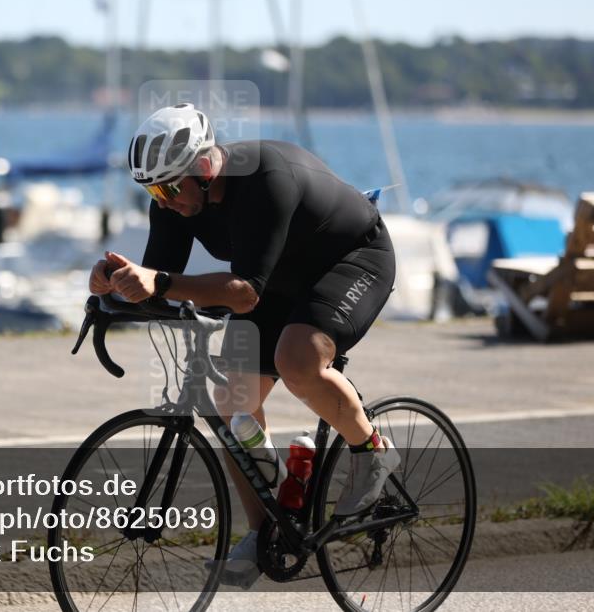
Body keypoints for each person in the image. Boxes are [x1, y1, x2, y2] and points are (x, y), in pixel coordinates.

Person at [88, 103, 400, 587]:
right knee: (233, 398)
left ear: (204, 168)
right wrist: (111, 288)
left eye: (168, 188)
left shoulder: (264, 180)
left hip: (351, 261)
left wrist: (161, 282)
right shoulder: (175, 201)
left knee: (297, 359)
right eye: (152, 191)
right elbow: (158, 286)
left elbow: (243, 293)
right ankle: (265, 531)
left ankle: (373, 450)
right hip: (279, 279)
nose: (162, 201)